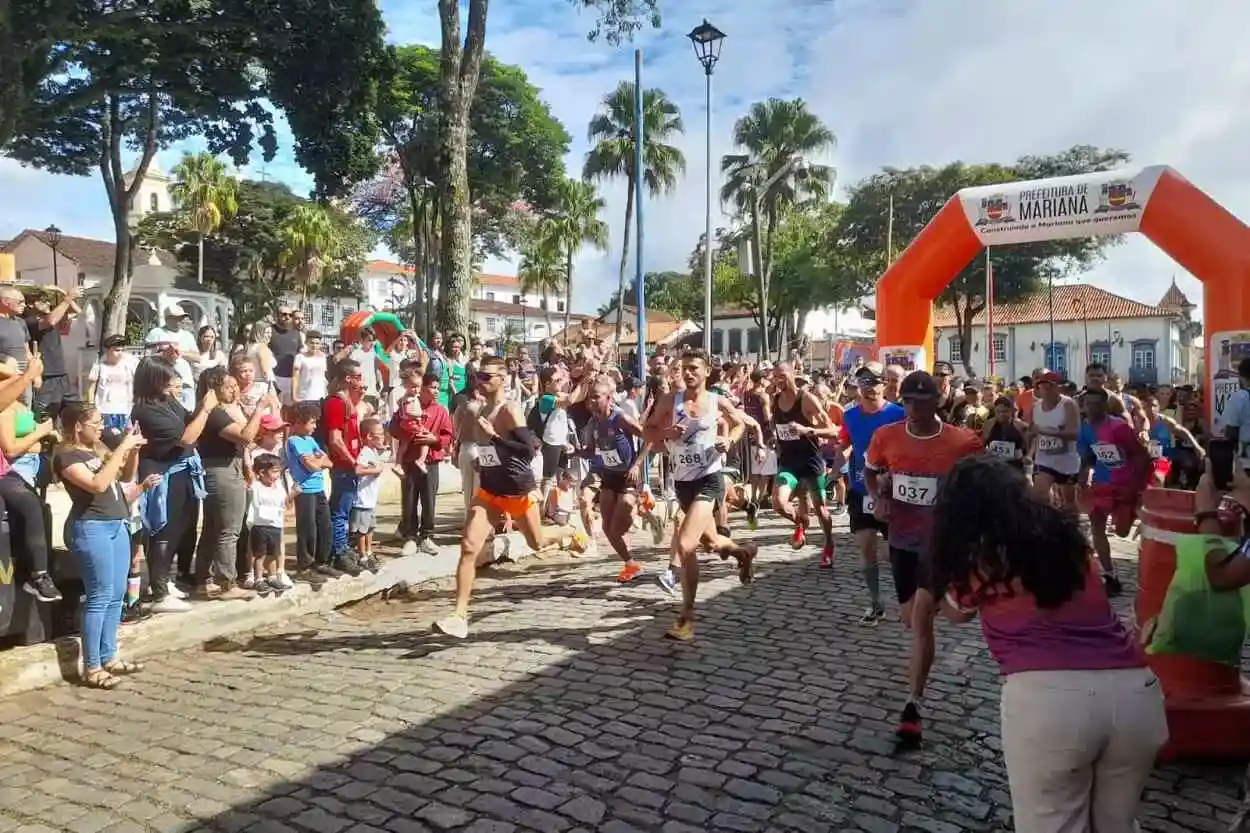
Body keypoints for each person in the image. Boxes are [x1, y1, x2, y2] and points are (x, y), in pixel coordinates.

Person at [931, 455, 1167, 830]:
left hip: (1049, 700)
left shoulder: (982, 556)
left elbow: (956, 612)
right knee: (1117, 826)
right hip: (1135, 693)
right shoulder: (1068, 541)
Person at [864, 370, 982, 746]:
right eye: (907, 400)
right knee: (911, 618)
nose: (913, 407)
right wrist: (880, 495)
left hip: (939, 542)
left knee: (920, 619)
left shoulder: (962, 442)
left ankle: (912, 707)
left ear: (938, 401)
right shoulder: (887, 436)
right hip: (902, 539)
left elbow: (984, 483)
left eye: (921, 400)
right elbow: (871, 470)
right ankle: (957, 601)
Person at [433, 356, 587, 639]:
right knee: (468, 547)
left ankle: (569, 530)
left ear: (503, 378)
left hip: (517, 490)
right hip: (490, 490)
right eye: (478, 375)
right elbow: (492, 453)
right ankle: (459, 615)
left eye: (487, 376)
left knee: (536, 542)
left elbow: (528, 451)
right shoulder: (478, 410)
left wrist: (494, 439)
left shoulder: (510, 410)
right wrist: (484, 461)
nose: (481, 380)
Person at [643, 349, 757, 642]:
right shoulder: (670, 400)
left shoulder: (717, 401)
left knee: (685, 544)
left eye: (694, 368)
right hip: (683, 482)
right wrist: (668, 432)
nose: (688, 373)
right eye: (684, 368)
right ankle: (743, 553)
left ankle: (686, 617)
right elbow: (648, 431)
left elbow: (739, 423)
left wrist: (727, 440)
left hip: (709, 479)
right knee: (711, 542)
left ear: (707, 372)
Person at [56, 405, 161, 689]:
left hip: (117, 524)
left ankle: (108, 655)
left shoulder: (97, 450)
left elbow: (124, 478)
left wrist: (133, 449)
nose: (101, 427)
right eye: (96, 422)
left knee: (116, 595)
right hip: (92, 528)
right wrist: (121, 448)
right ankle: (92, 667)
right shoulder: (67, 455)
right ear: (78, 426)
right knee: (99, 596)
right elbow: (98, 483)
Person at [131, 357, 215, 613]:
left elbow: (189, 419)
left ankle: (166, 580)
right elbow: (186, 437)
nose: (172, 384)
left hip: (182, 471)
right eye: (166, 380)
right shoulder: (145, 410)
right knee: (162, 532)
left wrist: (202, 403)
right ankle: (158, 590)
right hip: (162, 474)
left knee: (182, 527)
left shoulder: (168, 401)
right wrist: (207, 410)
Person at [194, 366, 277, 600]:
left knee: (212, 528)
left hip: (219, 468)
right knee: (229, 530)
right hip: (223, 471)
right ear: (215, 387)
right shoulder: (216, 414)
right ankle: (227, 583)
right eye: (228, 386)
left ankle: (204, 579)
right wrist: (260, 409)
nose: (234, 390)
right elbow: (246, 436)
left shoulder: (216, 411)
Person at [837, 362, 904, 623]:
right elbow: (845, 445)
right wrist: (833, 471)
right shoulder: (850, 416)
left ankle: (908, 598)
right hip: (860, 488)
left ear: (884, 384)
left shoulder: (898, 414)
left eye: (873, 382)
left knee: (893, 553)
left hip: (891, 492)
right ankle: (876, 604)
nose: (868, 388)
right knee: (866, 547)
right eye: (862, 383)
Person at [1078, 388, 1151, 597]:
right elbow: (1088, 458)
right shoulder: (1085, 430)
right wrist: (1082, 479)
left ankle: (1133, 517)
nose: (1092, 408)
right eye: (1088, 404)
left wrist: (1136, 487)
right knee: (1096, 525)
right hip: (1101, 485)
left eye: (1096, 403)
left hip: (1124, 486)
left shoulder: (1119, 428)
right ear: (1083, 406)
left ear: (1105, 406)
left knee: (1121, 531)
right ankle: (1110, 576)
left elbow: (1142, 456)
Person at [0, 359, 62, 602]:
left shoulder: (17, 405)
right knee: (29, 505)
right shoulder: (5, 408)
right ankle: (38, 575)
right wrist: (26, 376)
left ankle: (37, 572)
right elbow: (12, 448)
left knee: (36, 508)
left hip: (6, 472)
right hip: (6, 471)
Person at [580, 377, 649, 583]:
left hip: (628, 476)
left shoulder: (620, 419)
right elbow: (592, 451)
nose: (591, 402)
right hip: (609, 476)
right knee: (607, 529)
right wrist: (574, 452)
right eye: (588, 399)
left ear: (608, 398)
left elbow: (649, 438)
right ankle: (630, 564)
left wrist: (637, 465)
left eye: (596, 398)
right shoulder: (593, 423)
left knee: (620, 522)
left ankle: (640, 506)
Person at [770, 361, 837, 565]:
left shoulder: (807, 400)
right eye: (775, 376)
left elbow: (833, 430)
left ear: (793, 374)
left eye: (782, 375)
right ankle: (799, 523)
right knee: (779, 503)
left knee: (821, 510)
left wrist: (810, 431)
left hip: (811, 461)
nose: (778, 380)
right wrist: (776, 437)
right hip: (789, 462)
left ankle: (828, 544)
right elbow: (778, 425)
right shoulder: (775, 399)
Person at [393, 369, 453, 556]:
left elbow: (448, 436)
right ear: (422, 388)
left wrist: (433, 439)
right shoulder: (408, 405)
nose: (436, 391)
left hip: (431, 462)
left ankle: (427, 536)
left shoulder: (441, 410)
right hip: (410, 461)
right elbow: (394, 428)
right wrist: (410, 433)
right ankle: (410, 536)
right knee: (409, 499)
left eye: (438, 388)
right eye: (432, 387)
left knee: (429, 500)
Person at [323, 360, 370, 573]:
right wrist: (353, 463)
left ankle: (343, 548)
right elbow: (335, 439)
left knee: (346, 509)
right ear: (348, 379)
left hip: (349, 465)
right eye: (358, 377)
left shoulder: (347, 403)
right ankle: (338, 552)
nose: (362, 382)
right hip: (343, 466)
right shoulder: (336, 403)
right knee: (340, 511)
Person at [286, 401, 334, 582]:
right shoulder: (295, 441)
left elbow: (328, 462)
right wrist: (318, 461)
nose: (315, 426)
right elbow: (312, 466)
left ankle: (321, 562)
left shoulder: (311, 440)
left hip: (319, 488)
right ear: (298, 422)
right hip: (304, 490)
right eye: (311, 422)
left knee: (325, 525)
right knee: (308, 529)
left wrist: (318, 461)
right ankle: (304, 567)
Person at [26, 285, 80, 422]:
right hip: (46, 375)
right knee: (42, 414)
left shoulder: (51, 315)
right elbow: (51, 321)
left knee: (75, 410)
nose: (48, 303)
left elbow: (78, 312)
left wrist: (63, 293)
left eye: (49, 300)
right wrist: (67, 299)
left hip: (61, 373)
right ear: (31, 303)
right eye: (43, 300)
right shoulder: (29, 320)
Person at [1030, 371, 1081, 508]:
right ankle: (1046, 524)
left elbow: (1074, 433)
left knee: (1068, 500)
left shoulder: (1068, 405)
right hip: (1044, 459)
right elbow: (1032, 432)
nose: (1046, 389)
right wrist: (1029, 453)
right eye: (1042, 386)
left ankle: (1072, 526)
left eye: (1050, 386)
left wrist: (1047, 431)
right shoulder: (1035, 407)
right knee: (1040, 494)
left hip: (1066, 459)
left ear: (1059, 387)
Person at [246, 453, 291, 593]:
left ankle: (272, 577)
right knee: (260, 554)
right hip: (260, 526)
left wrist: (293, 494)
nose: (277, 475)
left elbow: (283, 503)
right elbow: (258, 505)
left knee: (272, 553)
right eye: (274, 471)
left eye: (279, 471)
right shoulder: (256, 487)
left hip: (275, 525)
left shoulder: (278, 487)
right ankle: (258, 578)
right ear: (261, 472)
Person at [352, 418, 388, 568]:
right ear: (369, 437)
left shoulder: (373, 452)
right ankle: (362, 554)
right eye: (379, 435)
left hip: (371, 500)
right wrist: (375, 471)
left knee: (370, 527)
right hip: (362, 499)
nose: (383, 437)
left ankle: (369, 550)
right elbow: (358, 470)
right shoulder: (365, 452)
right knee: (362, 529)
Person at [269, 303, 303, 404]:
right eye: (283, 314)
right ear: (277, 315)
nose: (287, 317)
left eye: (290, 315)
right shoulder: (269, 331)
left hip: (292, 379)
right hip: (275, 378)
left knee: (291, 412)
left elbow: (300, 354)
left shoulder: (296, 333)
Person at [983, 396, 1029, 471]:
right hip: (994, 464)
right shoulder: (989, 424)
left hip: (1015, 465)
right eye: (998, 411)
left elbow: (1029, 446)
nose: (1001, 414)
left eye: (1005, 411)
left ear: (1012, 411)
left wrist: (1027, 457)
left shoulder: (1021, 426)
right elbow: (983, 443)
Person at [290, 330, 328, 406]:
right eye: (312, 343)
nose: (314, 345)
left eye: (317, 343)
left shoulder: (323, 358)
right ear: (306, 343)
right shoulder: (300, 357)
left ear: (320, 344)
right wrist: (294, 396)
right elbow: (295, 377)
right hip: (305, 397)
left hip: (320, 397)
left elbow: (324, 377)